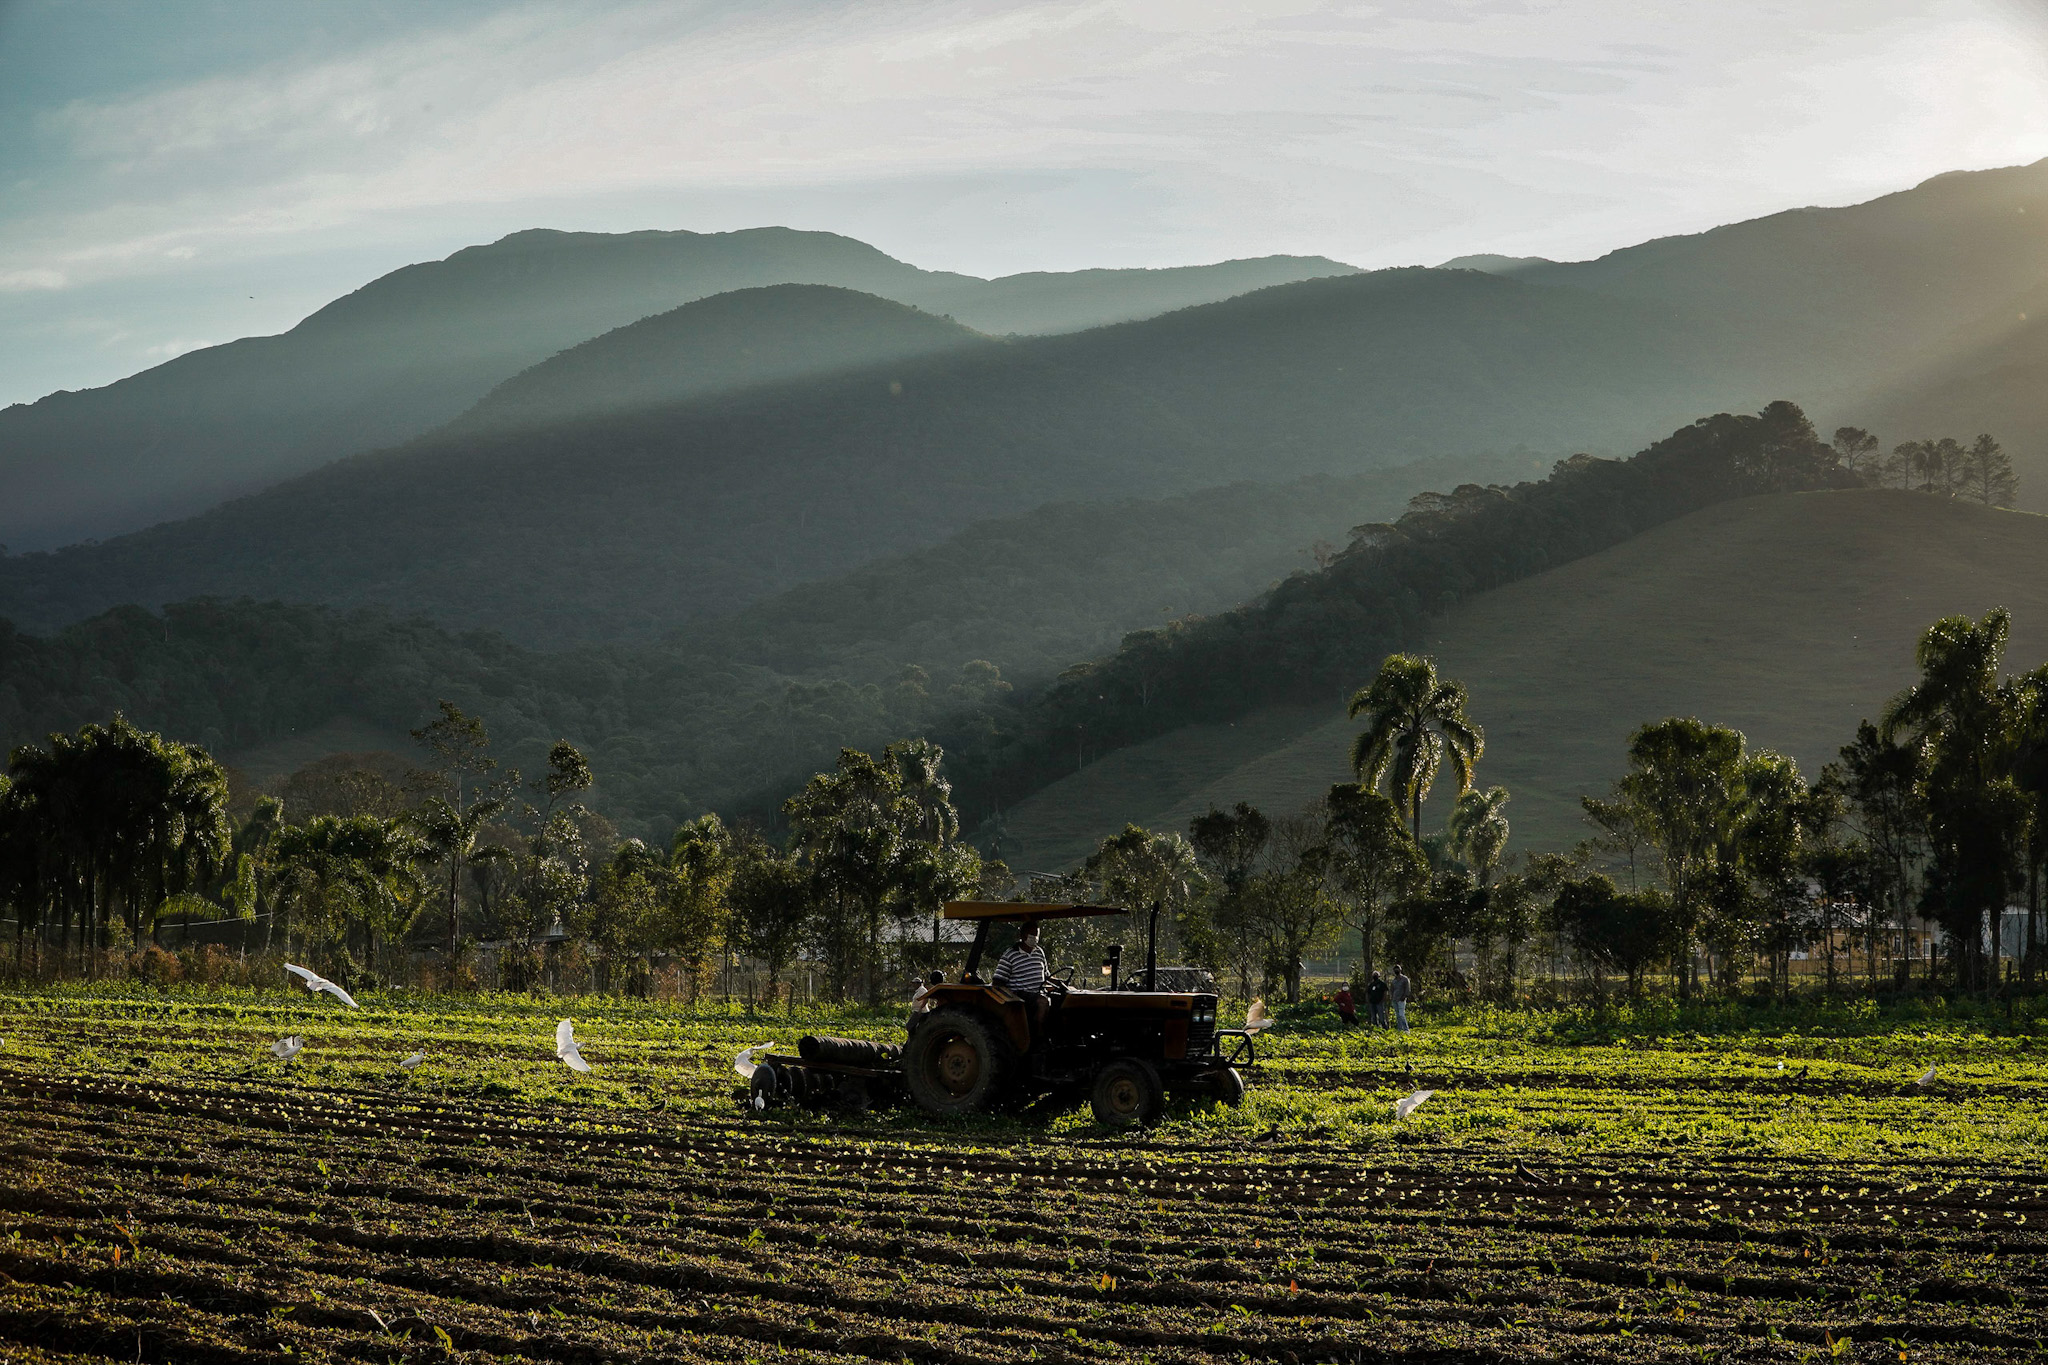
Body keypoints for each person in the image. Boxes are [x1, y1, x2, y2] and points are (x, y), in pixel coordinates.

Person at [991, 921, 1049, 995]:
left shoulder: (1039, 952)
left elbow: (1046, 976)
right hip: (1021, 996)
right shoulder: (1010, 955)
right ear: (1022, 935)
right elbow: (998, 981)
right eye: (1031, 935)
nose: (1034, 938)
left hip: (1040, 993)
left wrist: (1060, 982)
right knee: (1043, 1001)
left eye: (1036, 935)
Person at [1390, 965, 1412, 1032]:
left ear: (1400, 970)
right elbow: (1392, 989)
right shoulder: (1394, 980)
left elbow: (1407, 989)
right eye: (1395, 970)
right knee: (1397, 1015)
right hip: (1395, 999)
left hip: (1401, 999)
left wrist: (1404, 996)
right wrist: (1391, 997)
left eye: (1397, 969)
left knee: (1401, 1015)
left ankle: (1406, 1029)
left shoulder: (1405, 979)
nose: (1396, 971)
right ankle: (1400, 1029)